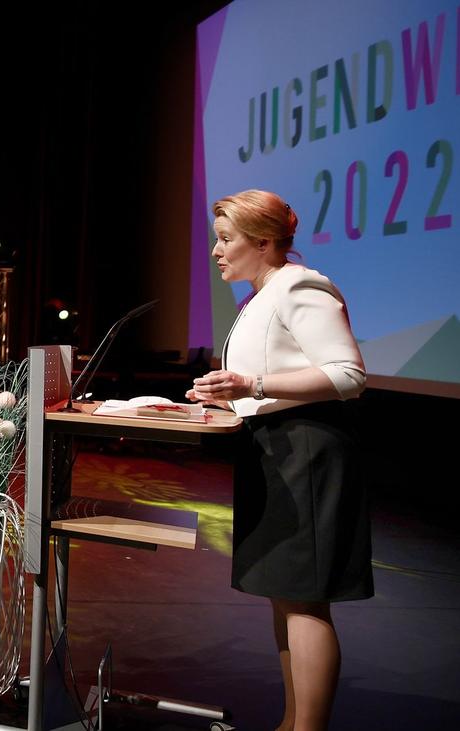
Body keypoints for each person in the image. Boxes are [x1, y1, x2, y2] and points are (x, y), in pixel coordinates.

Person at [186, 189, 369, 731]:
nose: (216, 251)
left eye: (226, 240)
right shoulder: (261, 296)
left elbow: (349, 374)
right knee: (286, 596)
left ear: (264, 242)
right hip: (274, 449)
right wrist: (224, 397)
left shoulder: (299, 286)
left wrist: (251, 385)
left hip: (307, 454)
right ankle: (291, 722)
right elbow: (264, 380)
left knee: (304, 600)